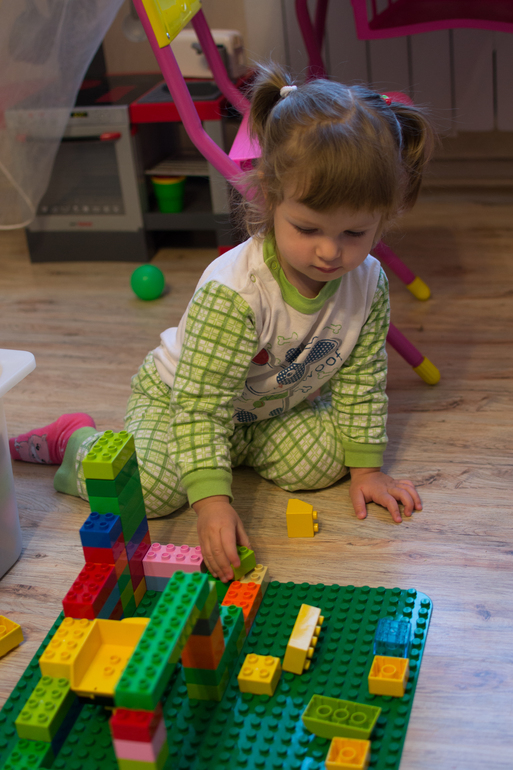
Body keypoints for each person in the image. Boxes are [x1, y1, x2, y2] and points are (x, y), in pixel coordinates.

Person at [10, 64, 434, 583]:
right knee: (154, 490)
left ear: (383, 218)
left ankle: (226, 456)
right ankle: (76, 441)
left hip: (266, 409)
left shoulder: (369, 283)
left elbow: (362, 378)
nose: (330, 251)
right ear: (271, 197)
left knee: (328, 463)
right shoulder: (235, 293)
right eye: (308, 229)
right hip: (180, 401)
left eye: (354, 233)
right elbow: (200, 403)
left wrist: (367, 470)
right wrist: (211, 503)